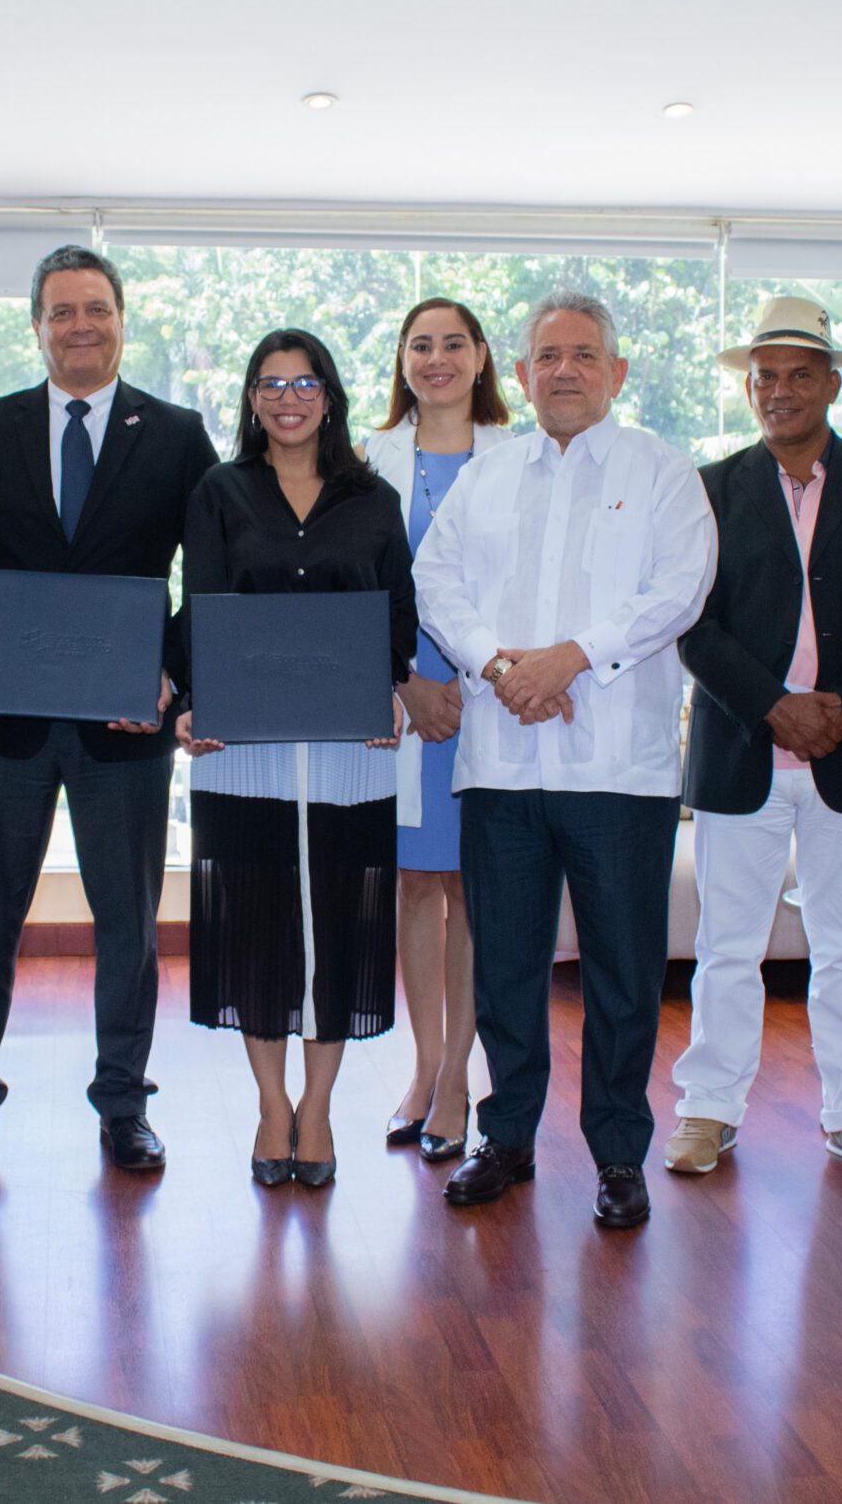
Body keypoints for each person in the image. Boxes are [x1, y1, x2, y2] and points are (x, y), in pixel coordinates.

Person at [414, 291, 717, 1230]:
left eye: (585, 354)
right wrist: (498, 665)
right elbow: (436, 580)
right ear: (521, 374)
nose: (566, 370)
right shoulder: (487, 477)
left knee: (623, 972)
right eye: (547, 356)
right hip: (501, 764)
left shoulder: (663, 472)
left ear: (617, 371)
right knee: (505, 965)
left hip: (617, 769)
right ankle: (506, 1137)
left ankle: (618, 1154)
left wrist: (573, 657)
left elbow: (681, 588)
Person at [0, 245, 220, 1172]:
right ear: (37, 325)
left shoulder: (176, 433)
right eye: (62, 311)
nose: (80, 326)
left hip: (124, 725)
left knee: (128, 925)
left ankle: (123, 1104)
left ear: (122, 319)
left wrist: (169, 673)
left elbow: (212, 572)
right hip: (2, 723)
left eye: (96, 308)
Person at [669, 299, 842, 1183]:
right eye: (764, 376)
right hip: (743, 749)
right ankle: (709, 1107)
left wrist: (840, 704)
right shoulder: (707, 487)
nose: (780, 390)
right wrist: (774, 705)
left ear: (833, 384)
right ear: (749, 388)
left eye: (799, 374)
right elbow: (692, 622)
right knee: (726, 947)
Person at [178, 329, 417, 1188]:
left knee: (338, 931)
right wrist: (194, 701)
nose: (289, 398)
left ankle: (317, 1109)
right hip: (243, 751)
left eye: (305, 382)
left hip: (350, 751)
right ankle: (271, 1104)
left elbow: (396, 618)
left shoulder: (374, 497)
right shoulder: (220, 490)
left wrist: (390, 692)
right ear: (251, 398)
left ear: (330, 395)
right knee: (258, 928)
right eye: (272, 383)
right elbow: (199, 608)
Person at [360, 297, 516, 1162]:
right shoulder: (369, 457)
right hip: (404, 696)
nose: (437, 358)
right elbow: (358, 584)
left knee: (473, 889)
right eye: (420, 344)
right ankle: (423, 1068)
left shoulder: (523, 454)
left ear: (482, 356)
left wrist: (474, 673)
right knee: (417, 886)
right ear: (402, 360)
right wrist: (406, 681)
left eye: (454, 342)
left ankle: (459, 1075)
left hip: (489, 695)